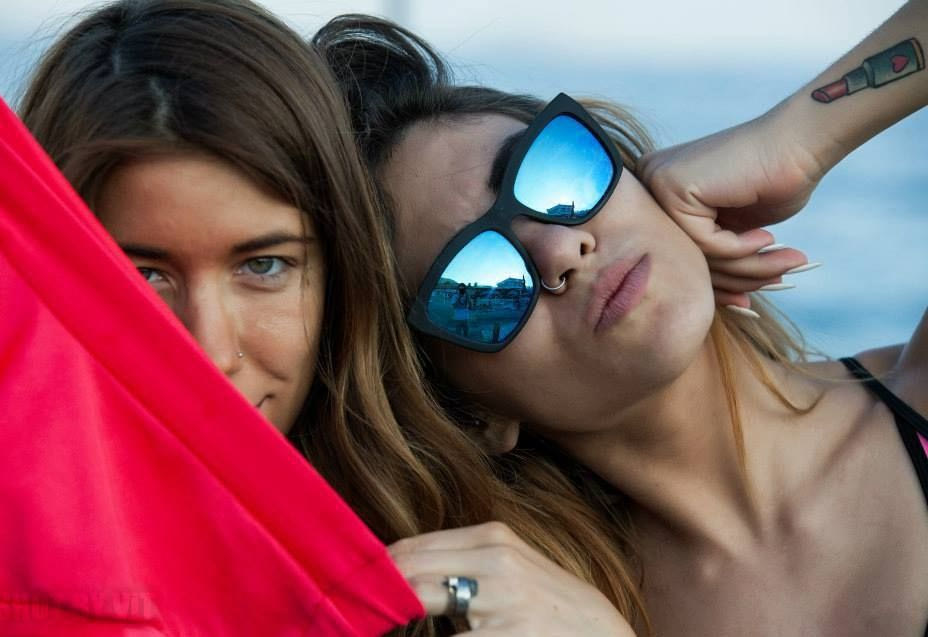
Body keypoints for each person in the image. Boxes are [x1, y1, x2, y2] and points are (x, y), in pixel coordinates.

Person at [15, 1, 642, 635]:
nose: (210, 352)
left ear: (343, 280)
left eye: (264, 266)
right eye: (143, 277)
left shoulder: (499, 559)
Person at [313, 2, 928, 634]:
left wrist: (793, 140)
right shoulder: (541, 617)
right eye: (476, 276)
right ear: (469, 411)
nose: (561, 248)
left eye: (553, 170)